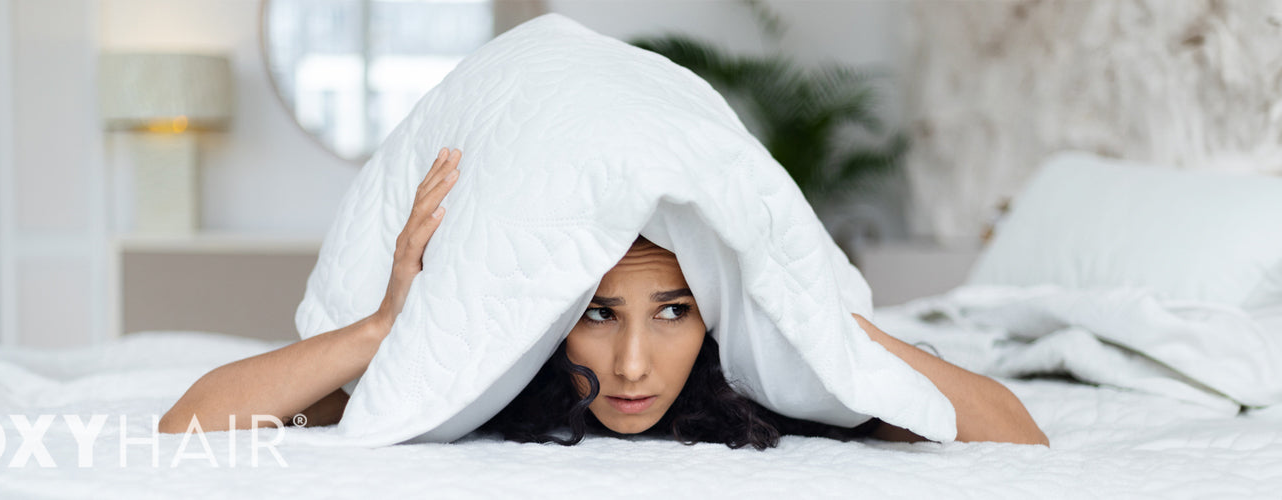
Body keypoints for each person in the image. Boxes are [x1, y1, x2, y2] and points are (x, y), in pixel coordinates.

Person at [158, 147, 1049, 448]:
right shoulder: (483, 373)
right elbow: (190, 426)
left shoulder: (765, 380)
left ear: (717, 312)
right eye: (596, 313)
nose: (630, 366)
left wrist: (817, 312)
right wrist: (387, 326)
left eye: (672, 312)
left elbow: (1017, 435)